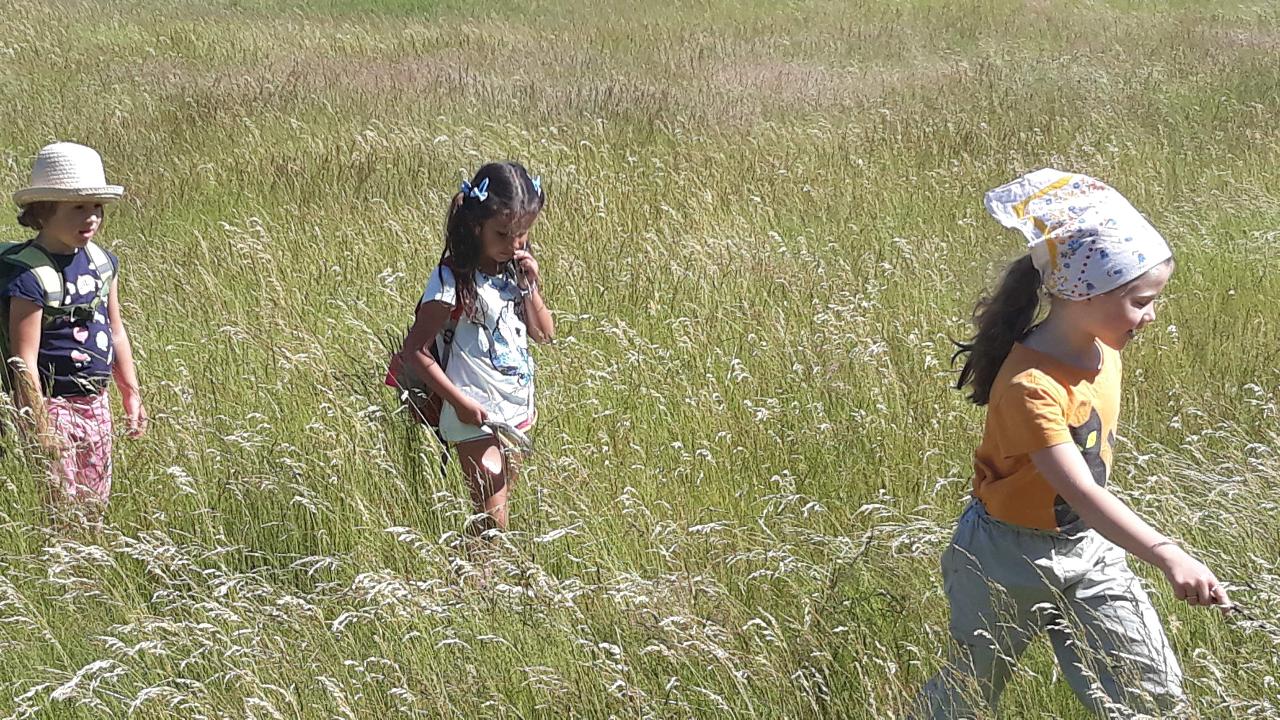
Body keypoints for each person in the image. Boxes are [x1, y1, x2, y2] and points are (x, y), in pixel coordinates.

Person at [914, 169, 1229, 718]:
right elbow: (1082, 490)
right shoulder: (1031, 385)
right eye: (1141, 301)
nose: (1151, 315)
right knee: (969, 689)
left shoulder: (1104, 351)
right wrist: (1167, 553)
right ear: (1083, 294)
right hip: (1004, 558)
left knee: (1150, 690)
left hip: (1090, 547)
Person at [392, 162, 552, 533]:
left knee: (490, 520)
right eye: (503, 234)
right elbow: (415, 349)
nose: (514, 244)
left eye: (522, 234)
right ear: (476, 225)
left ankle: (468, 567)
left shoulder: (513, 270)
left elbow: (544, 334)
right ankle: (478, 570)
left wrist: (531, 287)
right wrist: (460, 403)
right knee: (493, 521)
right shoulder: (451, 279)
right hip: (472, 413)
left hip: (515, 409)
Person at [2, 142, 147, 520]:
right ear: (43, 212)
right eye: (78, 208)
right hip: (51, 404)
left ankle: (90, 550)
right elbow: (24, 360)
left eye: (97, 206)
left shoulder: (103, 264)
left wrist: (131, 394)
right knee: (60, 503)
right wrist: (39, 426)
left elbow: (116, 331)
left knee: (95, 501)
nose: (92, 217)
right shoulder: (30, 276)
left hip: (96, 401)